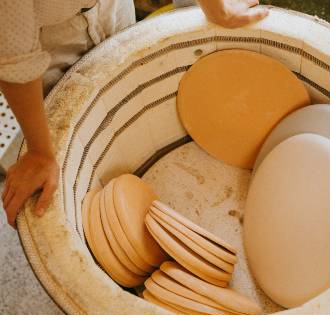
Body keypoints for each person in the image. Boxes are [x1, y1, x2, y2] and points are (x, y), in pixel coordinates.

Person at [0, 0, 268, 228]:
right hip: (51, 38)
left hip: (111, 6)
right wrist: (40, 151)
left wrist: (216, 9)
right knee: (71, 113)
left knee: (130, 79)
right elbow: (16, 59)